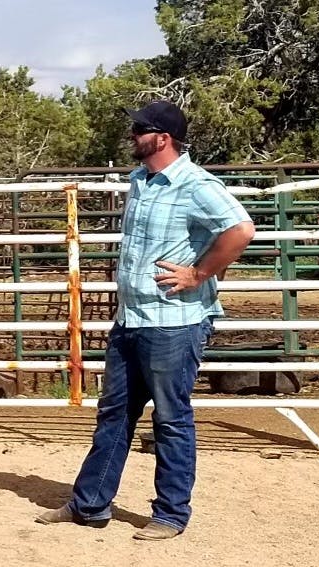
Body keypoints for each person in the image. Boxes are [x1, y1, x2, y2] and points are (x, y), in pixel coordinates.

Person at [36, 100, 255, 540]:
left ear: (164, 138)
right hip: (133, 317)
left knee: (171, 418)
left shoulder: (195, 183)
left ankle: (171, 514)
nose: (133, 135)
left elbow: (240, 229)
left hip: (174, 321)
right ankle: (91, 504)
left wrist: (200, 273)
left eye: (141, 129)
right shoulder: (141, 179)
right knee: (114, 411)